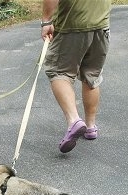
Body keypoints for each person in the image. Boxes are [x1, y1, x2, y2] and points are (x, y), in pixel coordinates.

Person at [41, 0, 111, 153]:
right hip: (101, 26)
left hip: (72, 26)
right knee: (92, 75)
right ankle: (90, 127)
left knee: (59, 72)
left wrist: (46, 21)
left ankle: (74, 120)